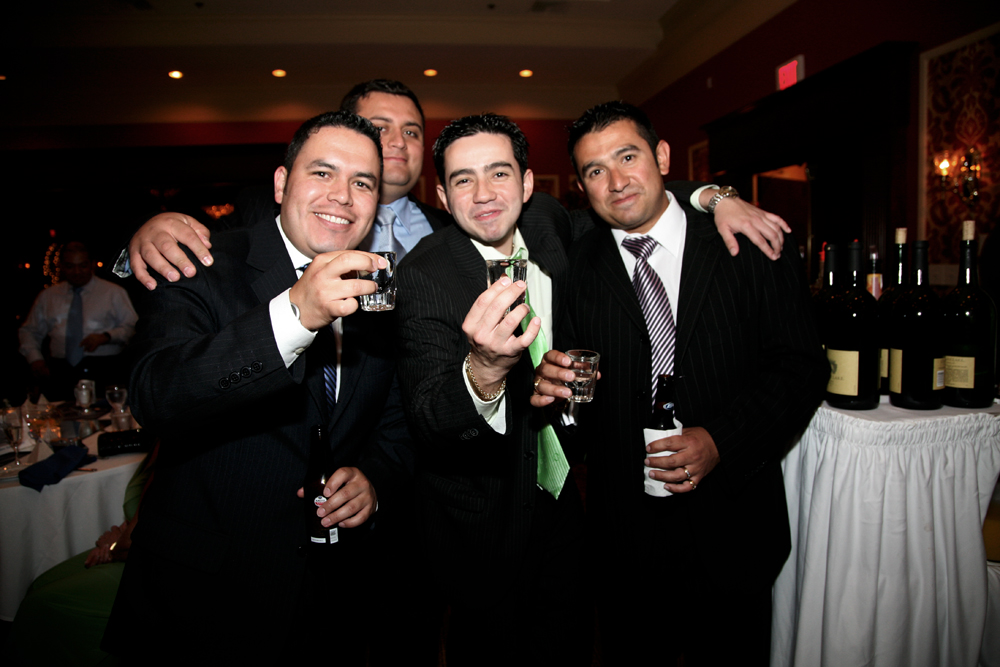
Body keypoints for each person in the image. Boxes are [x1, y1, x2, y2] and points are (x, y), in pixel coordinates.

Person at [102, 111, 414, 664]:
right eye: (322, 172)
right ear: (280, 183)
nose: (342, 196)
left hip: (330, 602)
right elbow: (157, 397)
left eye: (362, 182)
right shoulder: (201, 261)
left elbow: (392, 424)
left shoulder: (379, 289)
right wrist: (295, 314)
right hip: (201, 602)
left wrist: (374, 479)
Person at [533, 102, 828, 666]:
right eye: (596, 170)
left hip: (733, 523)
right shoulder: (576, 264)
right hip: (625, 538)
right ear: (580, 186)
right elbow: (573, 395)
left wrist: (721, 440)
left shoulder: (747, 242)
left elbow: (800, 367)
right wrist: (557, 391)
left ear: (662, 156)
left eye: (628, 157)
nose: (617, 181)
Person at [120, 79, 452, 291]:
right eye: (381, 127)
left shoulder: (450, 229)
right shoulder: (264, 207)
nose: (397, 142)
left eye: (411, 132)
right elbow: (196, 266)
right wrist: (154, 235)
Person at [18, 241, 137, 400]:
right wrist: (35, 359)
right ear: (61, 266)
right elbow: (29, 331)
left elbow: (133, 327)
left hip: (104, 369)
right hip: (61, 372)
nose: (77, 272)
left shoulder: (113, 292)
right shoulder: (48, 296)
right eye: (70, 266)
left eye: (82, 265)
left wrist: (107, 336)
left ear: (91, 265)